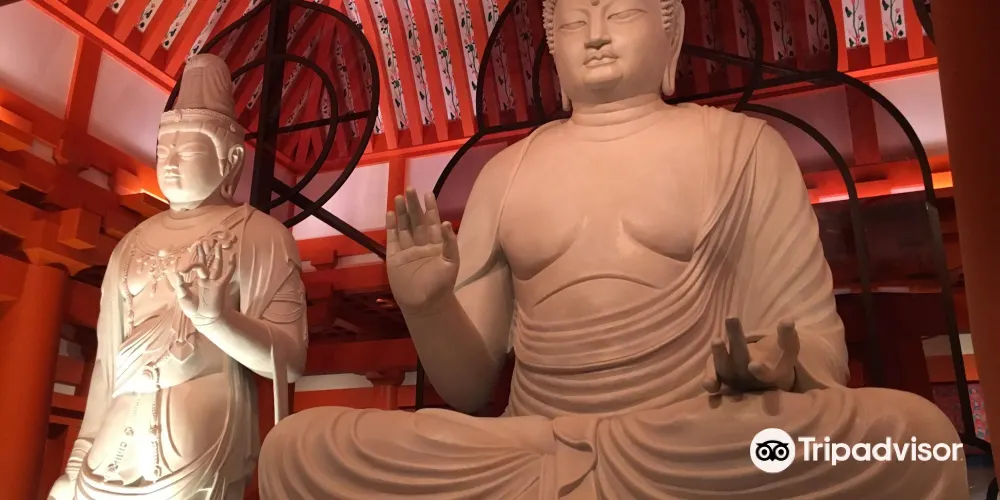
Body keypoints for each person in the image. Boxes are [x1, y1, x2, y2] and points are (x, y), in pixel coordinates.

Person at [258, 0, 966, 497]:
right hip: (529, 443)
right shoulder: (507, 173)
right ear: (553, 44)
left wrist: (777, 366)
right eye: (573, 21)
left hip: (695, 439)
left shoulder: (744, 148)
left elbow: (813, 343)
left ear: (669, 31)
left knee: (913, 439)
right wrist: (429, 305)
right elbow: (469, 387)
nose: (594, 34)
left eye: (620, 12)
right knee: (296, 449)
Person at [48, 55, 308, 500]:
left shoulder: (261, 235)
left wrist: (218, 321)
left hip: (200, 432)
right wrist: (78, 457)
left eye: (186, 151)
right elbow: (108, 364)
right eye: (163, 149)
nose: (169, 162)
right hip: (116, 431)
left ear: (230, 160)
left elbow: (289, 359)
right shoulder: (131, 244)